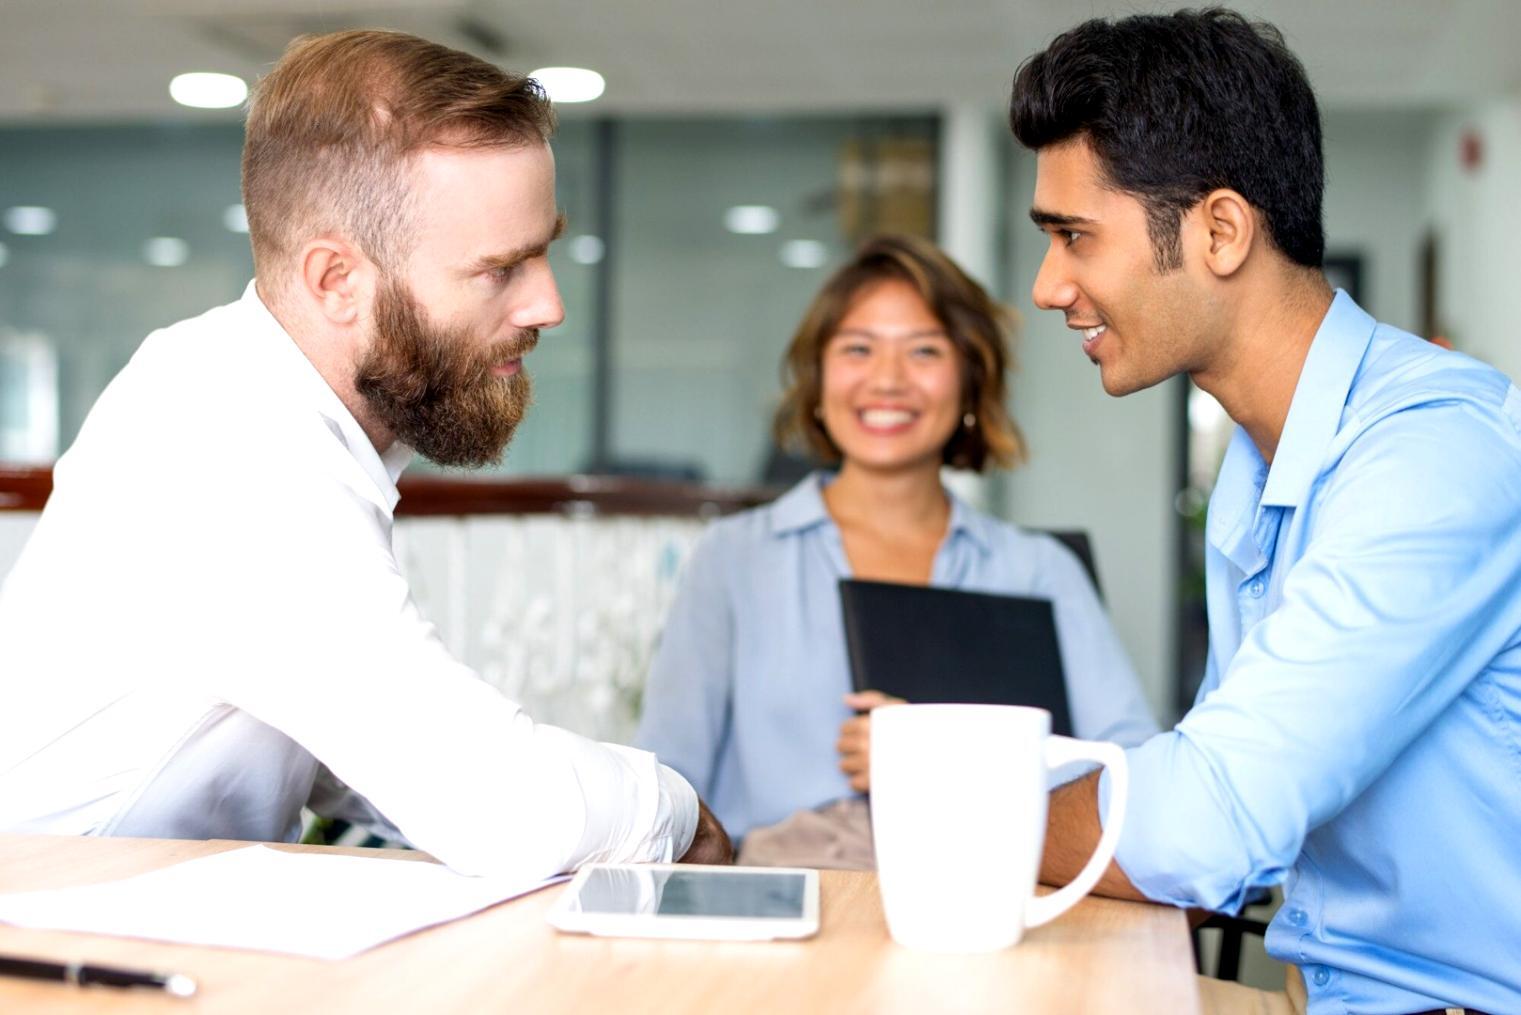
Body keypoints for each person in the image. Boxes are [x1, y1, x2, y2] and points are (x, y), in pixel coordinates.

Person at [0, 30, 729, 876]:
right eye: (501, 269)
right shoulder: (235, 450)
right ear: (335, 280)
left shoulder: (235, 382)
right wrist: (671, 808)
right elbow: (507, 811)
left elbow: (362, 755)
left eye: (545, 251)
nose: (549, 304)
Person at [1010, 10, 1521, 1014]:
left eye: (1074, 236)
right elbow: (1221, 801)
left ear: (1221, 230)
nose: (1047, 285)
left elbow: (1207, 828)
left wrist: (959, 797)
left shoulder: (1433, 456)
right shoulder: (1262, 466)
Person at [636, 235, 1156, 866]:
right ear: (818, 378)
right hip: (784, 923)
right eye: (858, 348)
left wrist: (945, 764)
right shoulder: (733, 560)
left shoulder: (1039, 572)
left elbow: (1133, 778)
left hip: (990, 911)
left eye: (924, 351)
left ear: (970, 383)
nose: (887, 380)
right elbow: (664, 792)